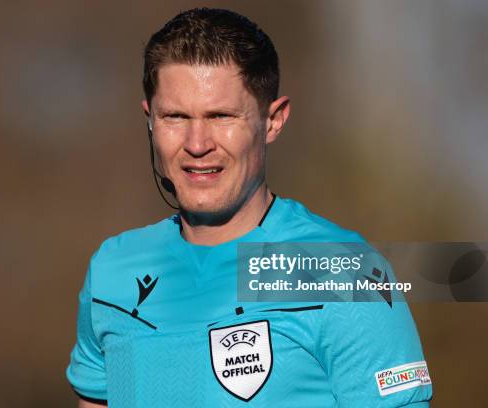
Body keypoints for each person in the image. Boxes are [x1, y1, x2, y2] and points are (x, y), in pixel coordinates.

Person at [66, 8, 432, 407]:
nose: (197, 143)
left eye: (220, 116)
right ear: (150, 119)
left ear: (272, 121)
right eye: (175, 116)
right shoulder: (112, 269)